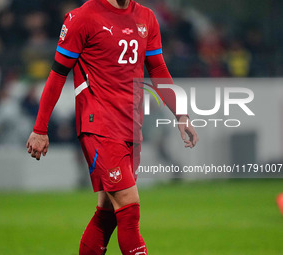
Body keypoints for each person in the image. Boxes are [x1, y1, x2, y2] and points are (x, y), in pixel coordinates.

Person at [26, 0, 198, 254]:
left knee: (107, 214)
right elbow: (57, 74)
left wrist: (181, 114)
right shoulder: (83, 17)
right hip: (100, 126)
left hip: (131, 127)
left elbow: (158, 69)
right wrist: (40, 129)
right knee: (129, 210)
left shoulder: (146, 17)